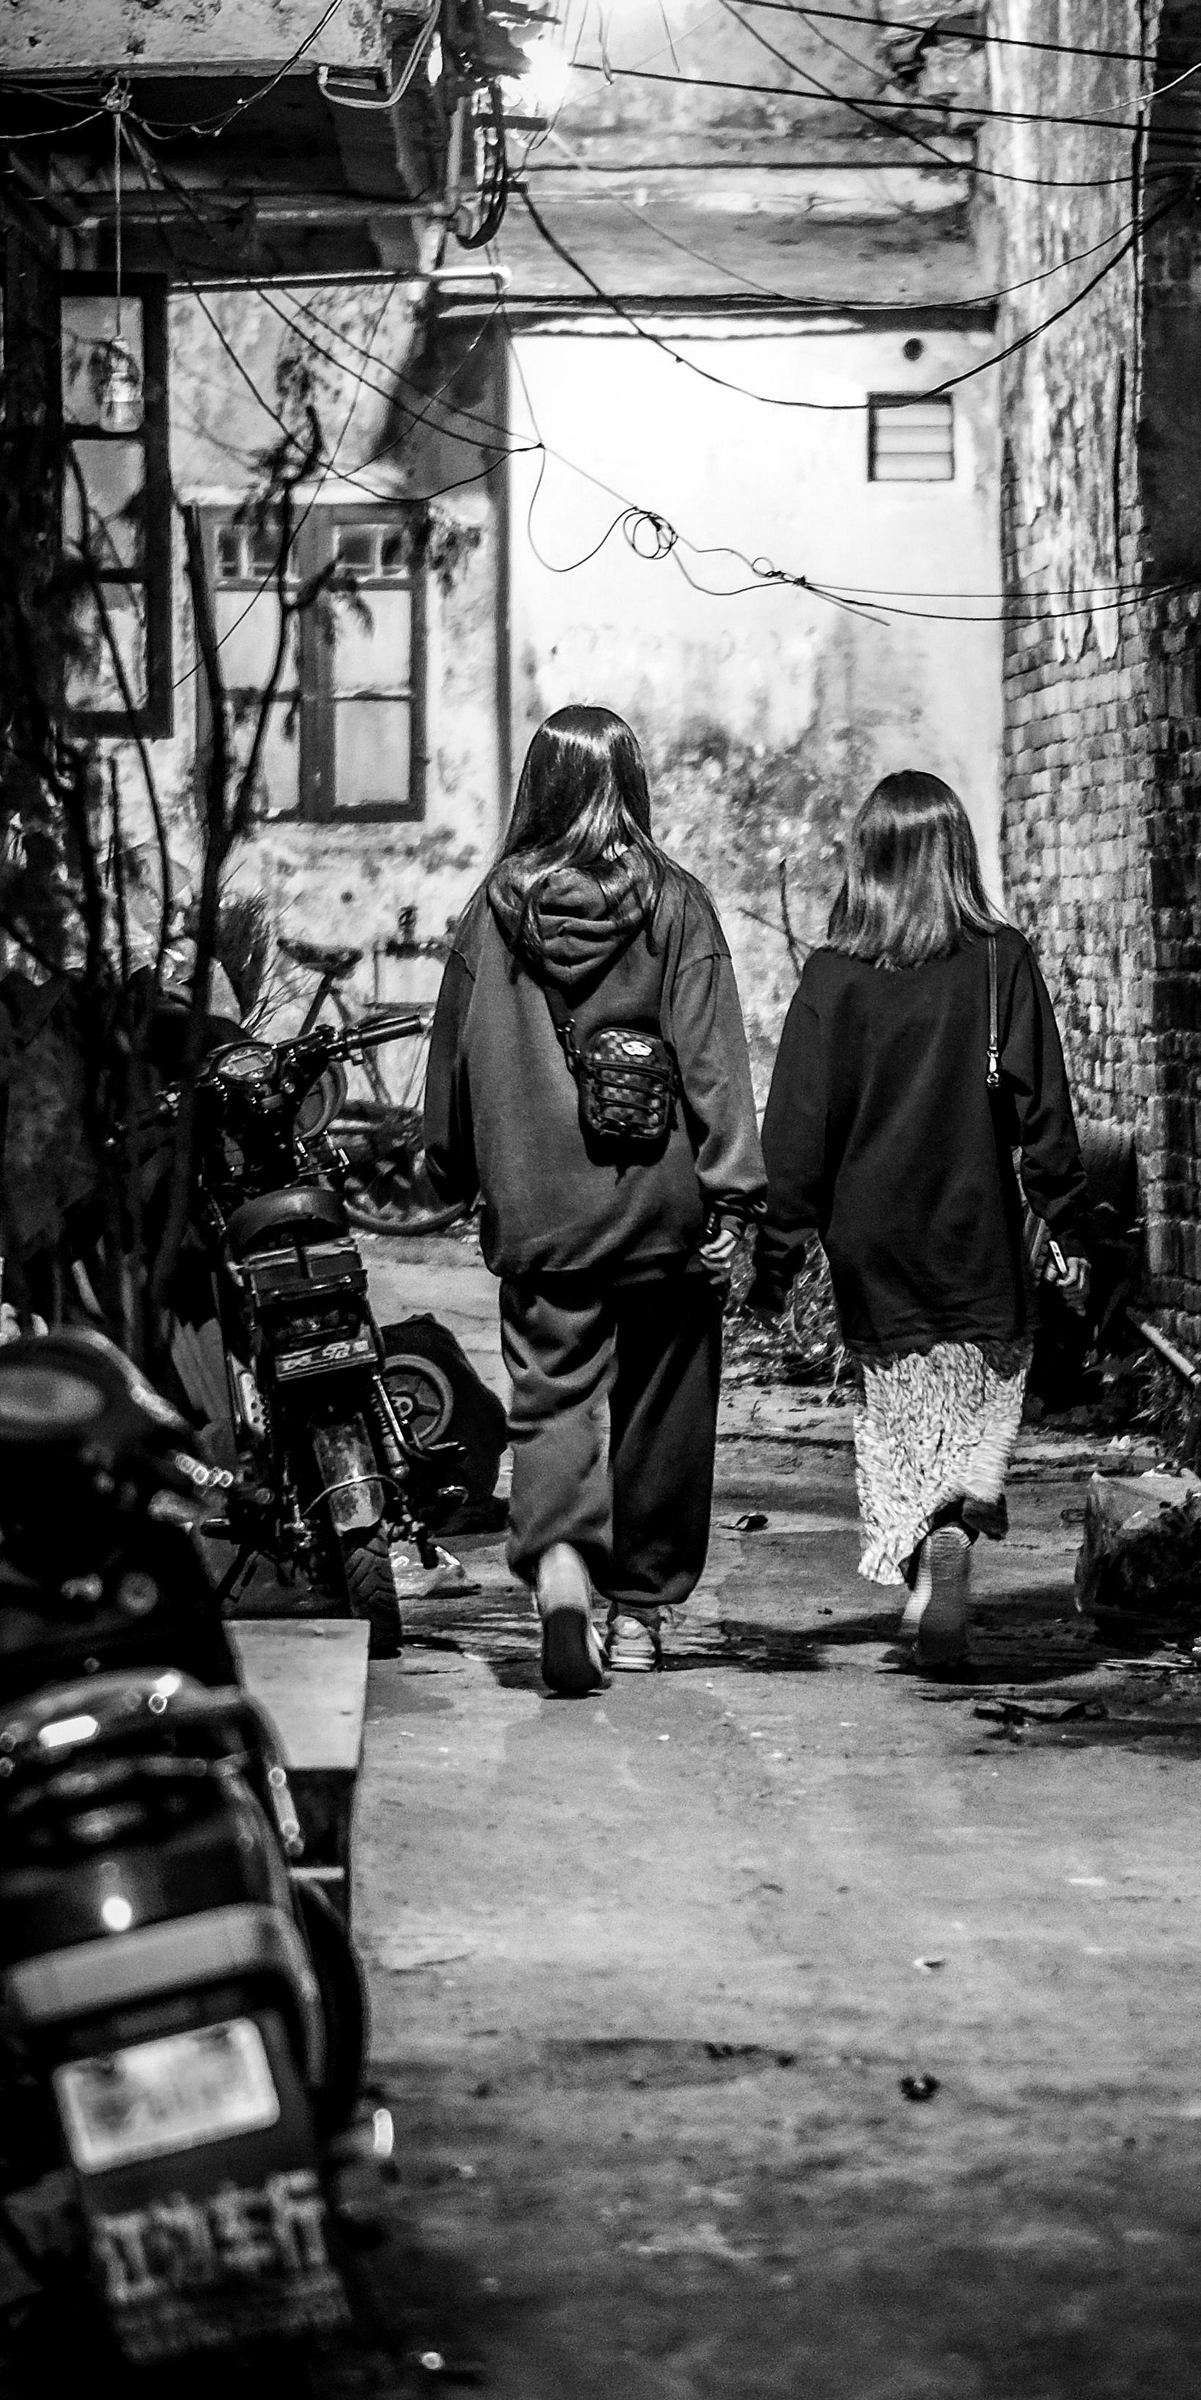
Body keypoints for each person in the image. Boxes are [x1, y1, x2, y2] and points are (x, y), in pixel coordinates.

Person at [419, 707, 765, 1695]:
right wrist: (733, 1197)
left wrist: (447, 1172)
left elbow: (450, 1068)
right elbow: (713, 1065)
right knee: (665, 1403)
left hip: (540, 1214)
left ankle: (563, 1567)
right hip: (659, 1209)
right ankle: (640, 1617)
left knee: (552, 1399)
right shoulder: (677, 906)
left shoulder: (490, 913)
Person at [747, 771, 1089, 1664]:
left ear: (866, 862)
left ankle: (923, 1557)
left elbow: (794, 1137)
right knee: (985, 1390)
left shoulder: (831, 977)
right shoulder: (998, 959)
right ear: (956, 856)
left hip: (873, 1245)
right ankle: (957, 1525)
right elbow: (1044, 1110)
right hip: (975, 1231)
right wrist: (1061, 1210)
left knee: (897, 1416)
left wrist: (775, 1257)